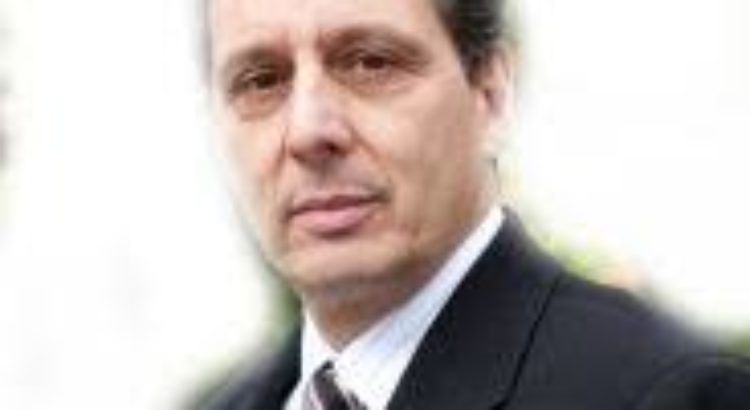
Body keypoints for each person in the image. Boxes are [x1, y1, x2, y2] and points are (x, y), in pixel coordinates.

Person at [197, 0, 750, 408]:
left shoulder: (665, 393)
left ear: (490, 95)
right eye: (260, 80)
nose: (308, 130)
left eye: (370, 62)